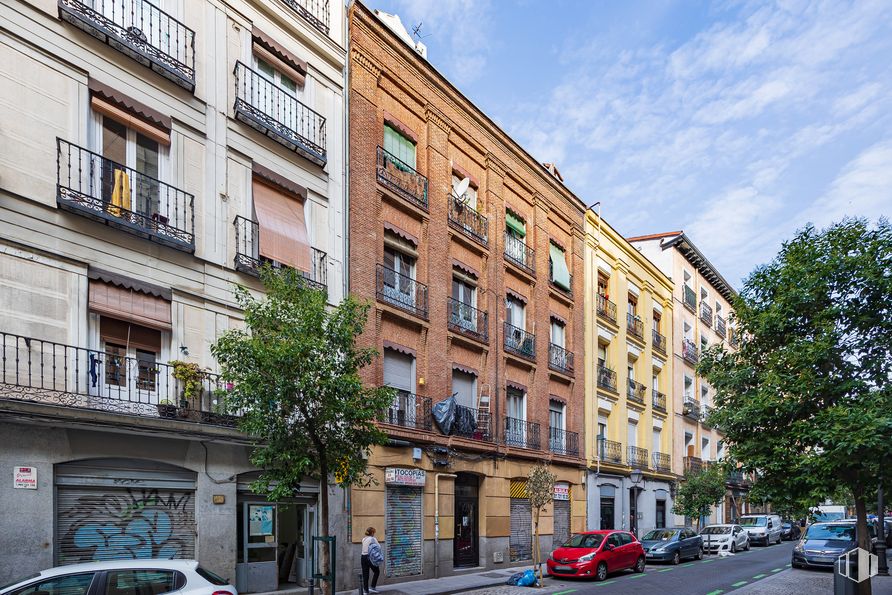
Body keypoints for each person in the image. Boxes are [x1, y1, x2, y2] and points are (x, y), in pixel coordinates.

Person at [361, 526, 382, 594]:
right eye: (374, 532)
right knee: (377, 571)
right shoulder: (373, 539)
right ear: (372, 532)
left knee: (365, 575)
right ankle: (372, 587)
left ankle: (366, 591)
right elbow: (379, 547)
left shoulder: (363, 539)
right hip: (370, 558)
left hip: (363, 557)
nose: (374, 534)